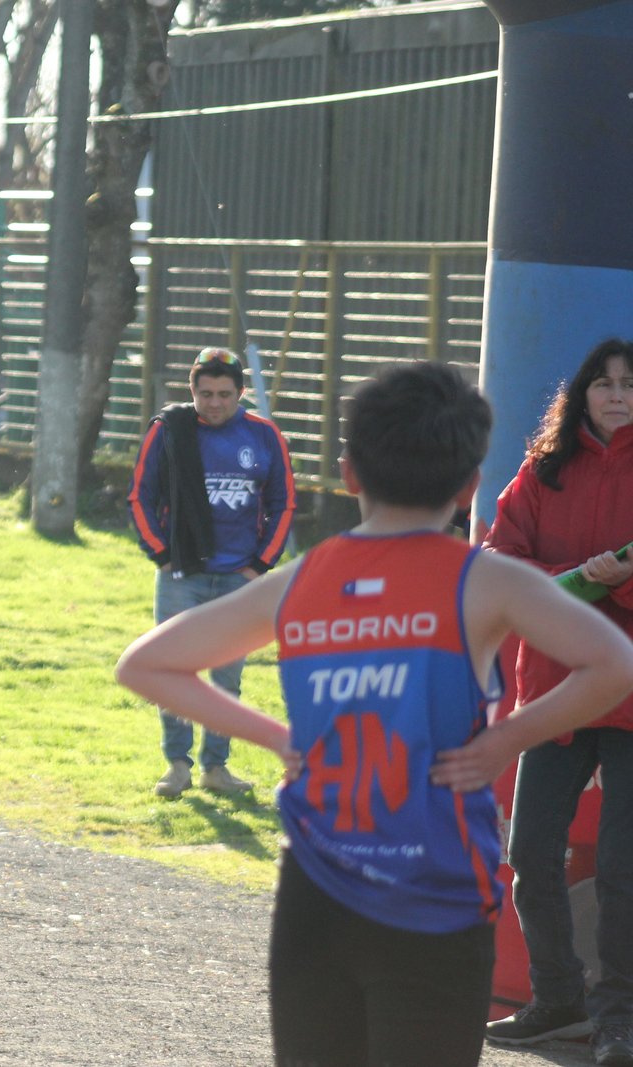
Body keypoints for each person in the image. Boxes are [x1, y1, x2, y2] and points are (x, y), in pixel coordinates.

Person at [115, 361, 633, 1067]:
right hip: (440, 892)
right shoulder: (484, 579)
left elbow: (144, 664)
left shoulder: (303, 578)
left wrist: (277, 736)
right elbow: (614, 663)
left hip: (319, 890)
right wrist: (508, 738)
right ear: (469, 484)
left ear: (349, 472)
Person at [482, 338, 633, 1066]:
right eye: (604, 384)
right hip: (552, 691)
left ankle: (620, 1019)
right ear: (582, 393)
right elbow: (496, 561)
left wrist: (619, 581)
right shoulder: (542, 470)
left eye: (629, 384)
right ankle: (560, 1002)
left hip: (631, 698)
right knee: (529, 852)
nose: (617, 395)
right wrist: (574, 577)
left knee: (624, 863)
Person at [126, 346, 296, 797]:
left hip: (239, 581)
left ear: (240, 393)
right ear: (192, 391)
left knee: (228, 678)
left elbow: (283, 504)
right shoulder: (169, 431)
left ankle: (216, 769)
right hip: (182, 574)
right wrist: (163, 555)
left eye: (224, 394)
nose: (214, 403)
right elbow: (139, 497)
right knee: (173, 671)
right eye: (205, 394)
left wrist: (259, 567)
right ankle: (177, 766)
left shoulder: (264, 436)